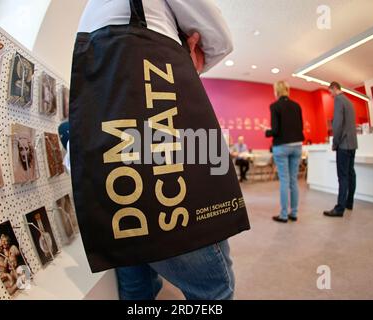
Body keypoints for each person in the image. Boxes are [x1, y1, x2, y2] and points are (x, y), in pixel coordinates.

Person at [75, 0, 236, 300]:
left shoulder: (90, 16)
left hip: (114, 167)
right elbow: (220, 37)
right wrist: (188, 62)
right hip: (159, 119)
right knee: (213, 290)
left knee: (138, 282)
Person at [261, 81, 304, 223]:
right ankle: (294, 213)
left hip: (282, 147)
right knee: (293, 181)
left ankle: (284, 215)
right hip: (297, 145)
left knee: (284, 181)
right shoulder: (297, 106)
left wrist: (265, 131)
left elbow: (275, 130)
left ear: (276, 91)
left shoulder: (275, 106)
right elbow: (300, 126)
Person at [323, 82, 358, 217]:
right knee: (350, 174)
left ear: (334, 88)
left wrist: (335, 142)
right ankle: (349, 203)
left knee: (342, 176)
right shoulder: (349, 101)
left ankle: (339, 208)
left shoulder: (338, 100)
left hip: (343, 145)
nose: (330, 95)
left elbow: (337, 124)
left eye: (330, 92)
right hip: (352, 144)